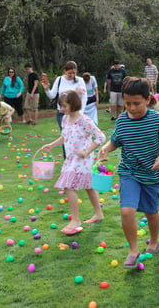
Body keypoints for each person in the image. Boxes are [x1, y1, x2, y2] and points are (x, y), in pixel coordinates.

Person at [97, 77, 159, 269]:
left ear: (148, 100)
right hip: (129, 172)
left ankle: (154, 241)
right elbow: (115, 141)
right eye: (128, 103)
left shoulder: (158, 119)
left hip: (152, 174)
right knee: (126, 210)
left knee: (151, 212)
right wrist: (106, 148)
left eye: (136, 103)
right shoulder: (122, 120)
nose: (131, 108)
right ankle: (133, 251)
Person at [41, 90, 106, 235]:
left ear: (74, 104)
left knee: (68, 185)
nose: (61, 109)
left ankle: (75, 220)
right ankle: (98, 213)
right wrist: (51, 145)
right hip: (71, 158)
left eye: (64, 106)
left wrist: (87, 151)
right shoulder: (65, 119)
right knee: (89, 186)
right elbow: (64, 137)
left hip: (83, 159)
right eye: (61, 106)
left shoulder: (84, 121)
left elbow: (100, 137)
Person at [42, 61, 87, 133]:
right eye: (70, 73)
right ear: (65, 71)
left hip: (75, 112)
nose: (72, 75)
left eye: (74, 73)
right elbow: (52, 96)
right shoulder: (59, 79)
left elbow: (84, 97)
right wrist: (47, 89)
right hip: (62, 112)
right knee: (65, 135)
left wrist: (81, 111)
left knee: (75, 134)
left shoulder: (80, 80)